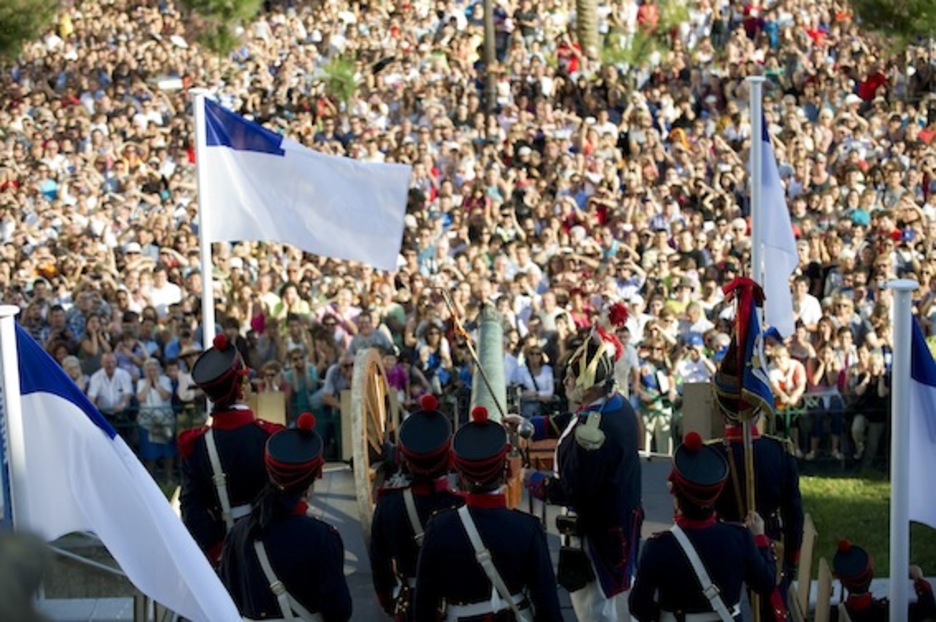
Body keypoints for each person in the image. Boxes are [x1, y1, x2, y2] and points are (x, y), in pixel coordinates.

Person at [515, 303, 643, 622]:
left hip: (595, 532)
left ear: (587, 383)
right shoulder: (615, 405)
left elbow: (571, 490)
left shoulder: (592, 434)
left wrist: (529, 477)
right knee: (617, 603)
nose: (566, 382)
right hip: (620, 520)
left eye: (572, 377)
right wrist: (531, 426)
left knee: (594, 609)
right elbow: (573, 420)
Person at [710, 278, 805, 621]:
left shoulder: (712, 456)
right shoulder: (780, 453)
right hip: (771, 550)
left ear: (720, 407)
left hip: (721, 549)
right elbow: (794, 516)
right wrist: (791, 566)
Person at [413, 405, 562, 621]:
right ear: (505, 471)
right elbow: (548, 608)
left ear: (461, 474)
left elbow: (424, 606)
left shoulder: (439, 527)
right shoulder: (528, 528)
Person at [629, 432, 777, 621]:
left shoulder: (658, 547)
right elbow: (766, 583)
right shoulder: (740, 538)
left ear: (675, 493)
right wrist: (760, 539)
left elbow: (638, 607)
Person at [220, 412, 352, 621]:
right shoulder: (322, 536)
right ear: (312, 482)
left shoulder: (238, 533)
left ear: (270, 473)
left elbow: (229, 597)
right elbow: (339, 610)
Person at [178, 334, 283, 565]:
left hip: (226, 554)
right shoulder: (269, 437)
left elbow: (191, 509)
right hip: (274, 548)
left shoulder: (195, 447)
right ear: (242, 388)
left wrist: (217, 551)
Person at [369, 394, 463, 619]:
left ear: (406, 459)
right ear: (448, 457)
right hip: (456, 603)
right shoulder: (460, 505)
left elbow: (379, 564)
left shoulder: (388, 505)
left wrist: (387, 600)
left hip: (410, 603)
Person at [832, 540, 936, 621]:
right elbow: (928, 608)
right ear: (871, 574)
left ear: (841, 580)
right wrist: (918, 578)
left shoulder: (834, 615)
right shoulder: (891, 612)